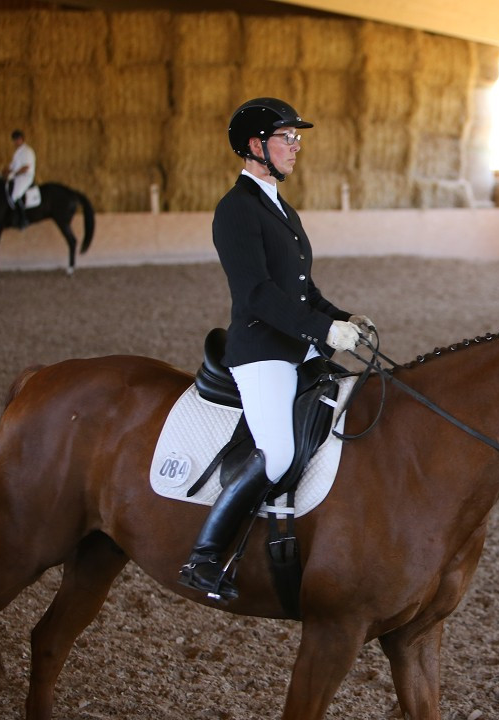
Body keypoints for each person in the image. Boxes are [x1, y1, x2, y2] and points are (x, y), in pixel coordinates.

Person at [179, 97, 375, 602]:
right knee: (279, 452)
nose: (295, 147)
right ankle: (204, 556)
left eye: (297, 138)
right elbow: (258, 294)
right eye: (287, 138)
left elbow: (302, 290)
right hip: (262, 350)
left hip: (299, 344)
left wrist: (340, 318)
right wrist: (323, 331)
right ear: (254, 146)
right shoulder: (235, 209)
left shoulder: (279, 205)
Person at [4, 129, 36, 229]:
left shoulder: (27, 151)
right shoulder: (17, 152)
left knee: (15, 194)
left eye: (17, 139)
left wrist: (14, 173)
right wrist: (6, 171)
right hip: (17, 176)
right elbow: (12, 166)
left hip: (25, 176)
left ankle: (23, 219)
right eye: (14, 140)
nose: (15, 142)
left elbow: (25, 168)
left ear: (22, 139)